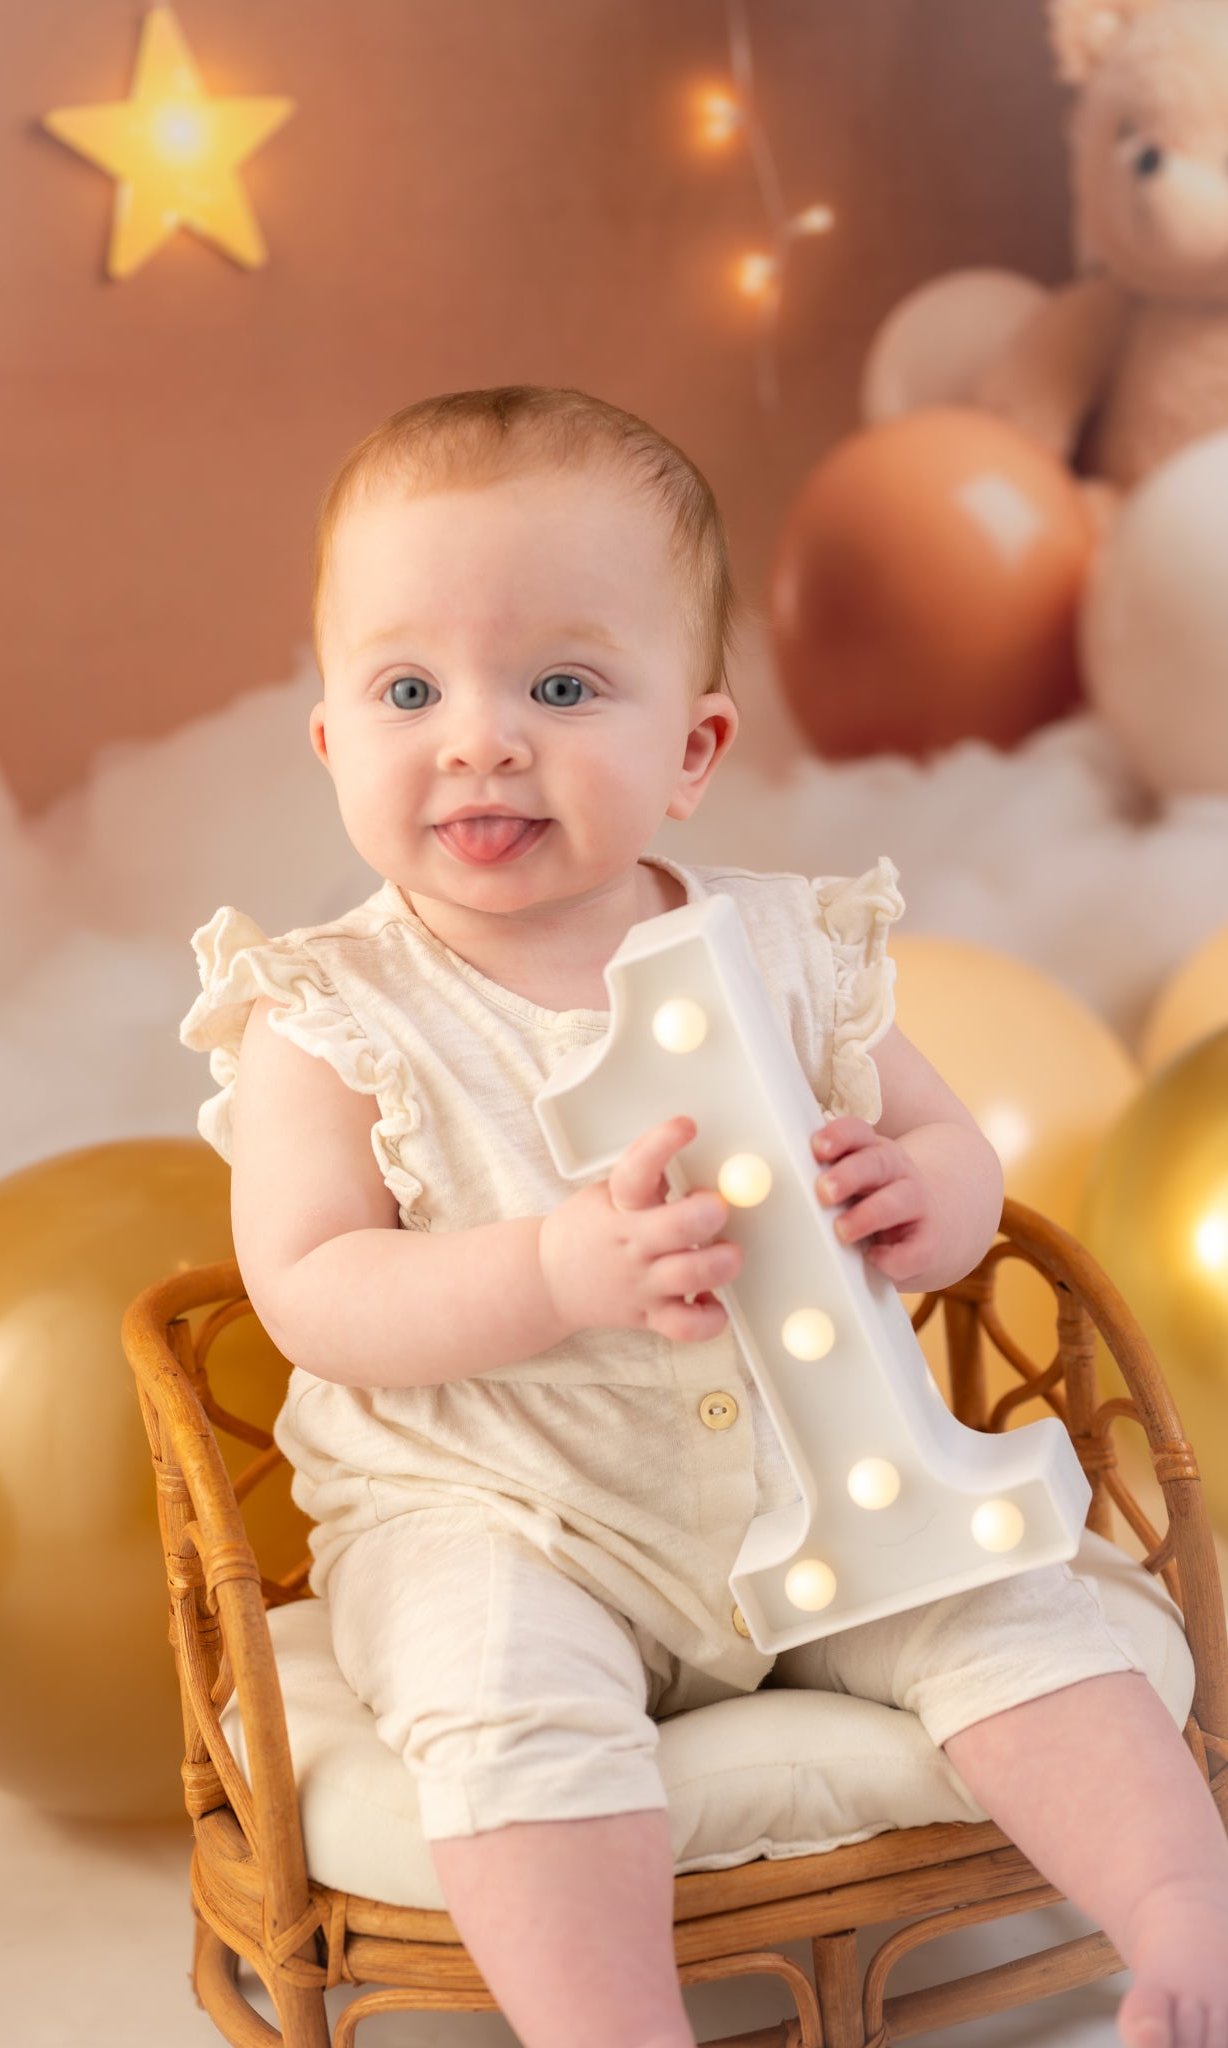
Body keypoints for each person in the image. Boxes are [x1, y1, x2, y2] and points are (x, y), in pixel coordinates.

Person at [182, 385, 1228, 2048]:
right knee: (503, 1695)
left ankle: (1180, 1921)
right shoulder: (331, 1014)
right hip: (505, 1504)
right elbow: (312, 1287)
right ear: (330, 741)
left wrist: (924, 1197)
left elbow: (952, 1151)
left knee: (1009, 1610)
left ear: (692, 750)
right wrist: (546, 1268)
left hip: (825, 1470)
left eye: (563, 685)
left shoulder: (789, 951)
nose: (479, 737)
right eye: (406, 689)